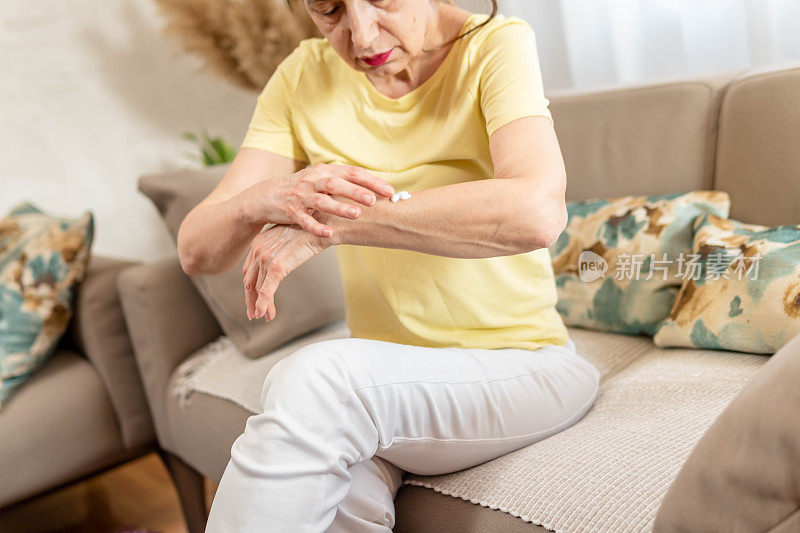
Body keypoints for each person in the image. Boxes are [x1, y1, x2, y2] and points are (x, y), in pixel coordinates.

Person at [178, 0, 601, 530]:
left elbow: (537, 213)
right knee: (331, 503)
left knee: (319, 379)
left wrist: (336, 223)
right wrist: (267, 199)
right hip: (391, 381)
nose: (361, 35)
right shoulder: (302, 76)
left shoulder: (495, 44)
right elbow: (197, 249)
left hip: (525, 363)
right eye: (329, 9)